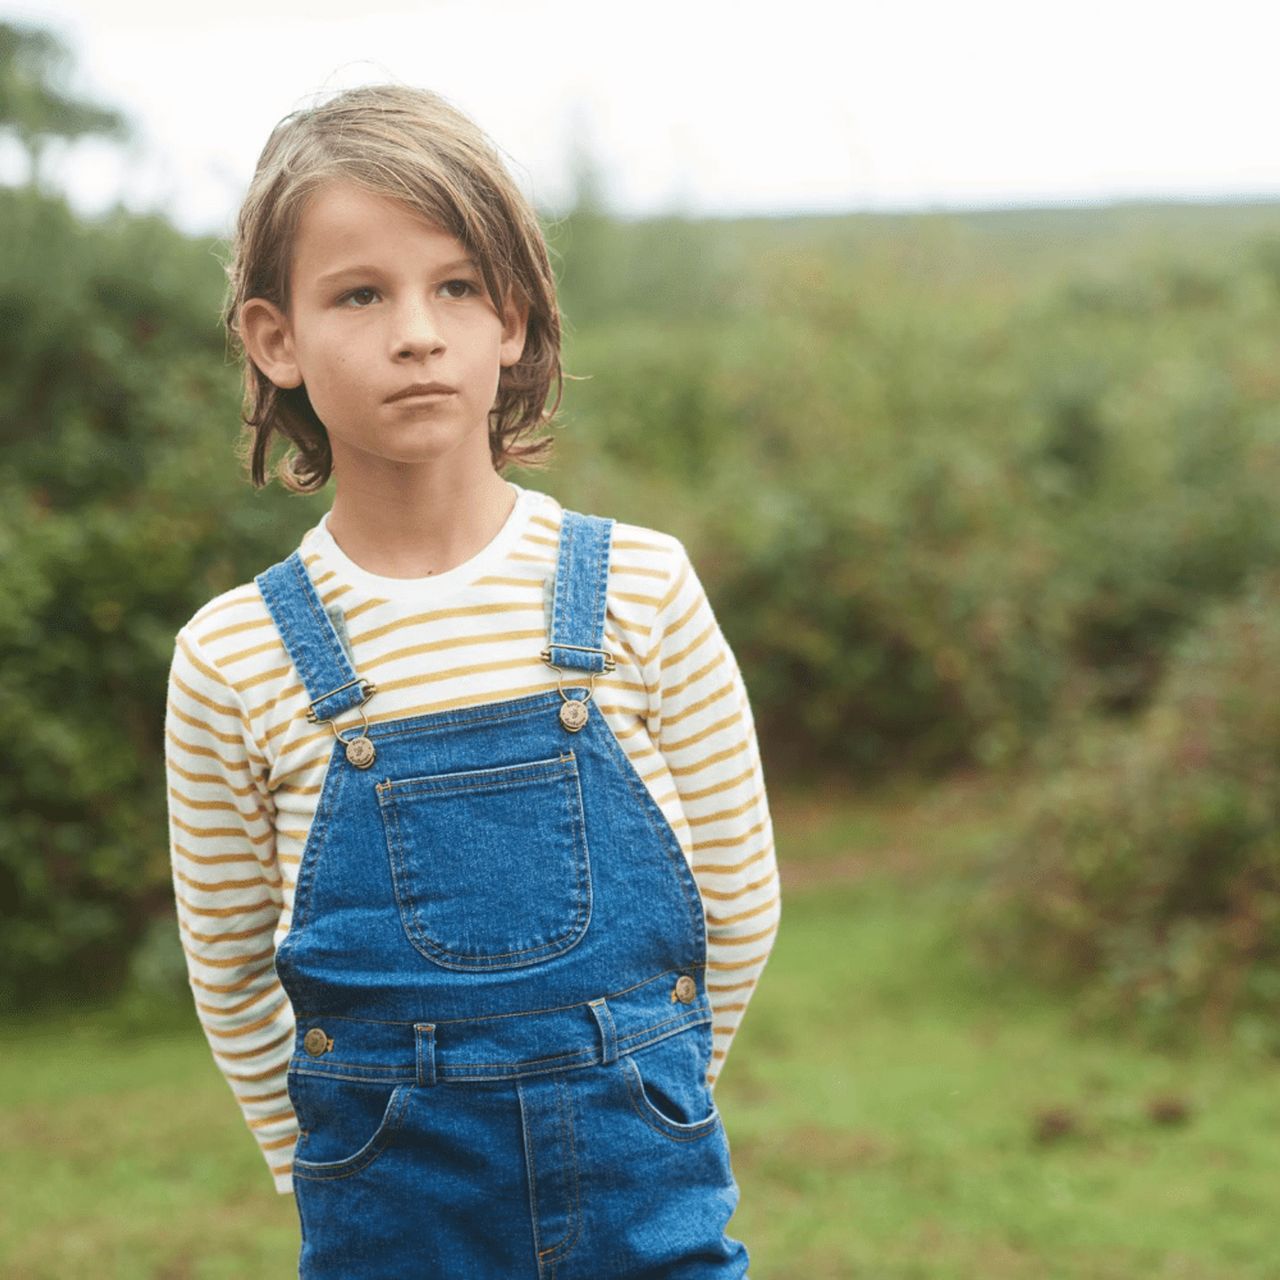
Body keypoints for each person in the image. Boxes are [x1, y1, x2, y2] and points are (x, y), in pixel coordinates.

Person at [163, 81, 780, 1278]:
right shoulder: (234, 655)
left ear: (513, 320)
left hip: (644, 1188)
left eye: (456, 285)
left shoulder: (638, 591)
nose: (416, 330)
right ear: (273, 337)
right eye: (360, 292)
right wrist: (328, 1166)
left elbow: (737, 904)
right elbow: (233, 973)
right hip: (390, 1219)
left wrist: (653, 1091)